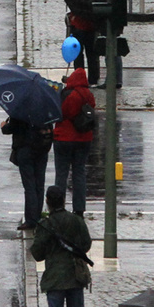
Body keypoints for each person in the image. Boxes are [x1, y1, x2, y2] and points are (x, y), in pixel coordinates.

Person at [30, 185, 93, 307]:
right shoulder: (76, 221)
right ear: (64, 201)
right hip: (75, 275)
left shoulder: (45, 225)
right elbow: (86, 244)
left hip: (55, 278)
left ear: (47, 202)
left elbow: (37, 254)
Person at [52, 45, 95, 213]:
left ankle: (58, 208)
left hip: (64, 139)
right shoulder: (89, 95)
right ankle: (79, 209)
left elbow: (60, 113)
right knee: (79, 174)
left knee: (61, 175)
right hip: (84, 139)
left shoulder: (67, 94)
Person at [4, 110, 52, 231]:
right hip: (42, 148)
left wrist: (4, 126)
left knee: (29, 186)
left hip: (25, 149)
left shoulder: (20, 107)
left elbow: (10, 128)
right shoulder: (44, 106)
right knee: (39, 185)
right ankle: (37, 216)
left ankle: (31, 220)